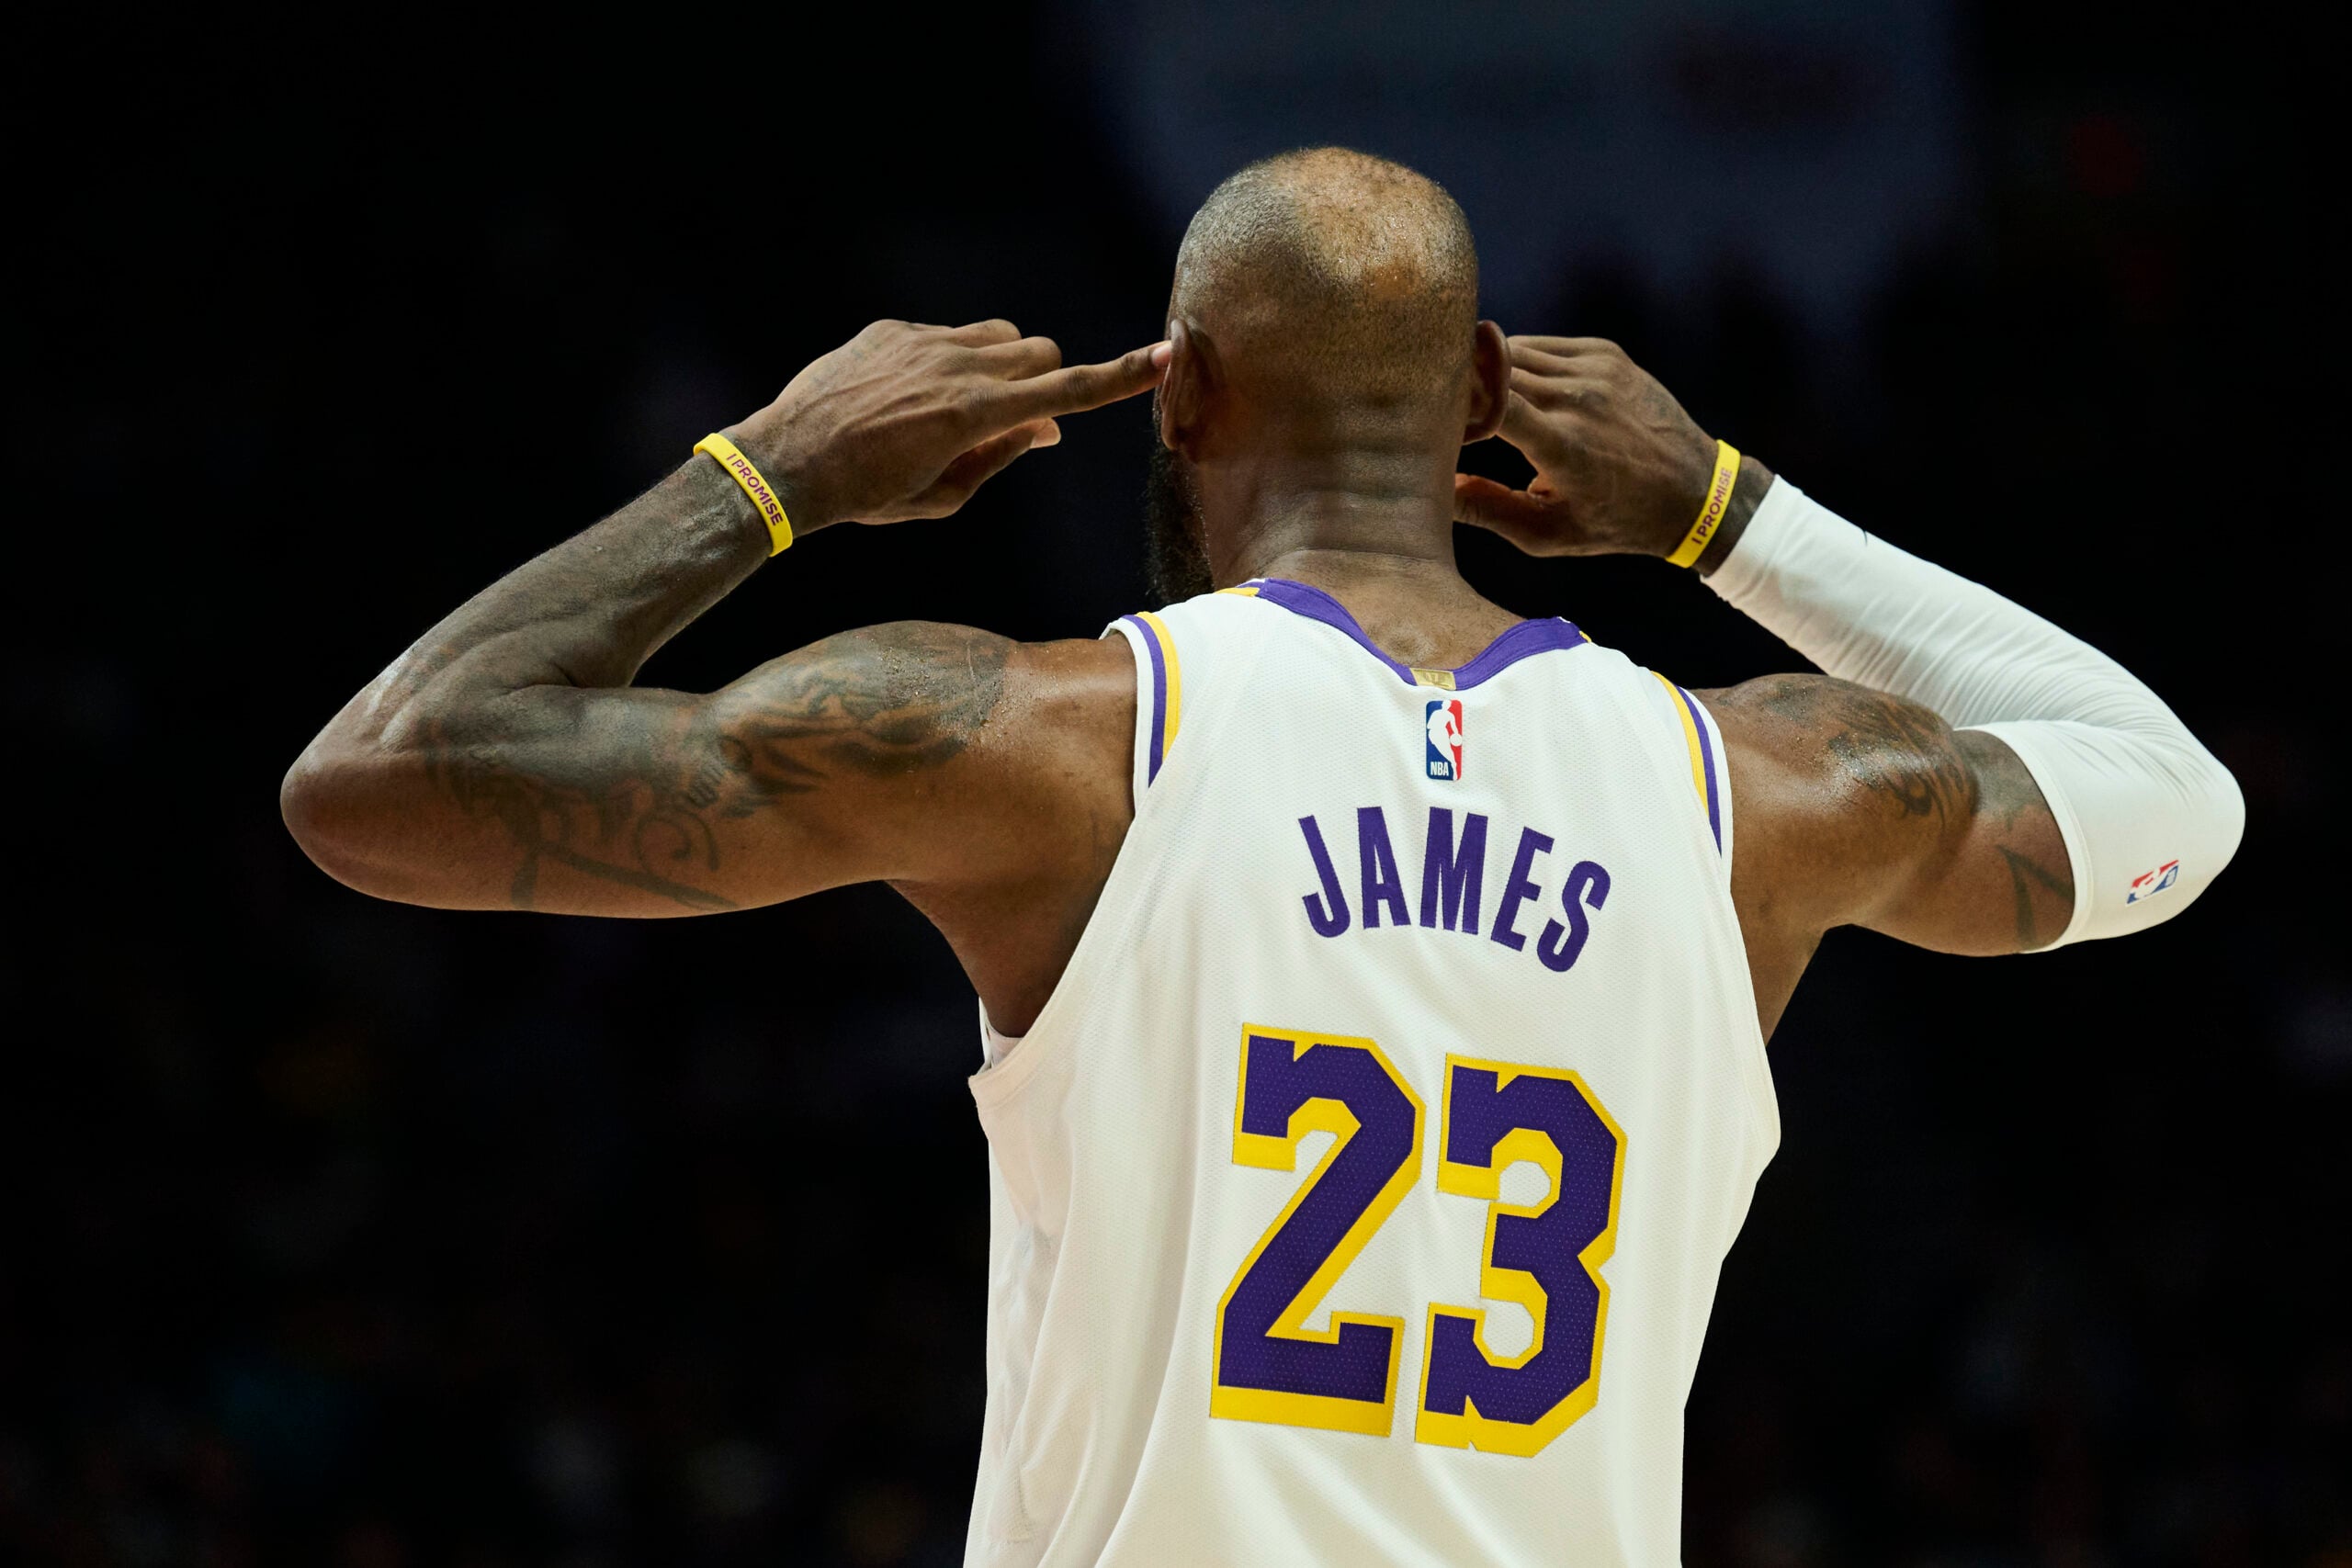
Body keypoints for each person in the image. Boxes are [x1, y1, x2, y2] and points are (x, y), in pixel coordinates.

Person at [282, 148, 2243, 1566]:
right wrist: (1726, 512)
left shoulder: (1050, 743)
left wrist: (774, 469)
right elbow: (2169, 792)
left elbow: (376, 778)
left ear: (1183, 391)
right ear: (1484, 397)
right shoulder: (1757, 786)